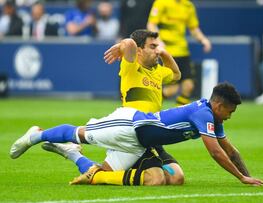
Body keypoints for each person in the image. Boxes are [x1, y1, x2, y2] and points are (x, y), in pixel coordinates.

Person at [10, 83, 263, 186]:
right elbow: (215, 152)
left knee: (101, 175)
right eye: (230, 111)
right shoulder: (204, 114)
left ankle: (69, 153)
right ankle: (35, 135)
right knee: (80, 133)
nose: (230, 116)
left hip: (137, 144)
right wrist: (241, 178)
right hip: (129, 125)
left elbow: (231, 151)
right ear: (219, 105)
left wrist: (247, 175)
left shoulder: (213, 118)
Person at [42, 29, 184, 186]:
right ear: (139, 51)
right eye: (152, 46)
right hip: (134, 132)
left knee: (177, 178)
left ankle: (75, 154)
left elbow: (176, 75)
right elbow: (129, 44)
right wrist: (121, 45)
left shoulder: (158, 71)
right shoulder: (131, 67)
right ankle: (73, 155)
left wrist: (162, 52)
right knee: (155, 179)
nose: (156, 50)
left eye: (156, 46)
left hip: (152, 134)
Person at [147, 0, 212, 106]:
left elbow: (193, 28)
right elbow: (151, 24)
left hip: (182, 51)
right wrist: (158, 41)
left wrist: (203, 40)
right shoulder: (161, 2)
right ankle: (151, 105)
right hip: (167, 52)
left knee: (189, 85)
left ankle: (180, 114)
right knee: (172, 89)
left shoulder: (188, 6)